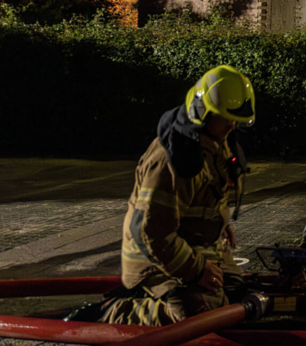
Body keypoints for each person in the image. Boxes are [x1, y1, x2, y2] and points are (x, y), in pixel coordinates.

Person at [101, 65, 254, 326]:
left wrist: (220, 224)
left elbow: (205, 196)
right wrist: (196, 270)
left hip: (195, 246)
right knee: (201, 318)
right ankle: (116, 312)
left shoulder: (215, 143)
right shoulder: (170, 161)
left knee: (235, 299)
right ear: (202, 113)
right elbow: (150, 232)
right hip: (153, 260)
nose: (232, 126)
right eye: (225, 118)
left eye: (235, 119)